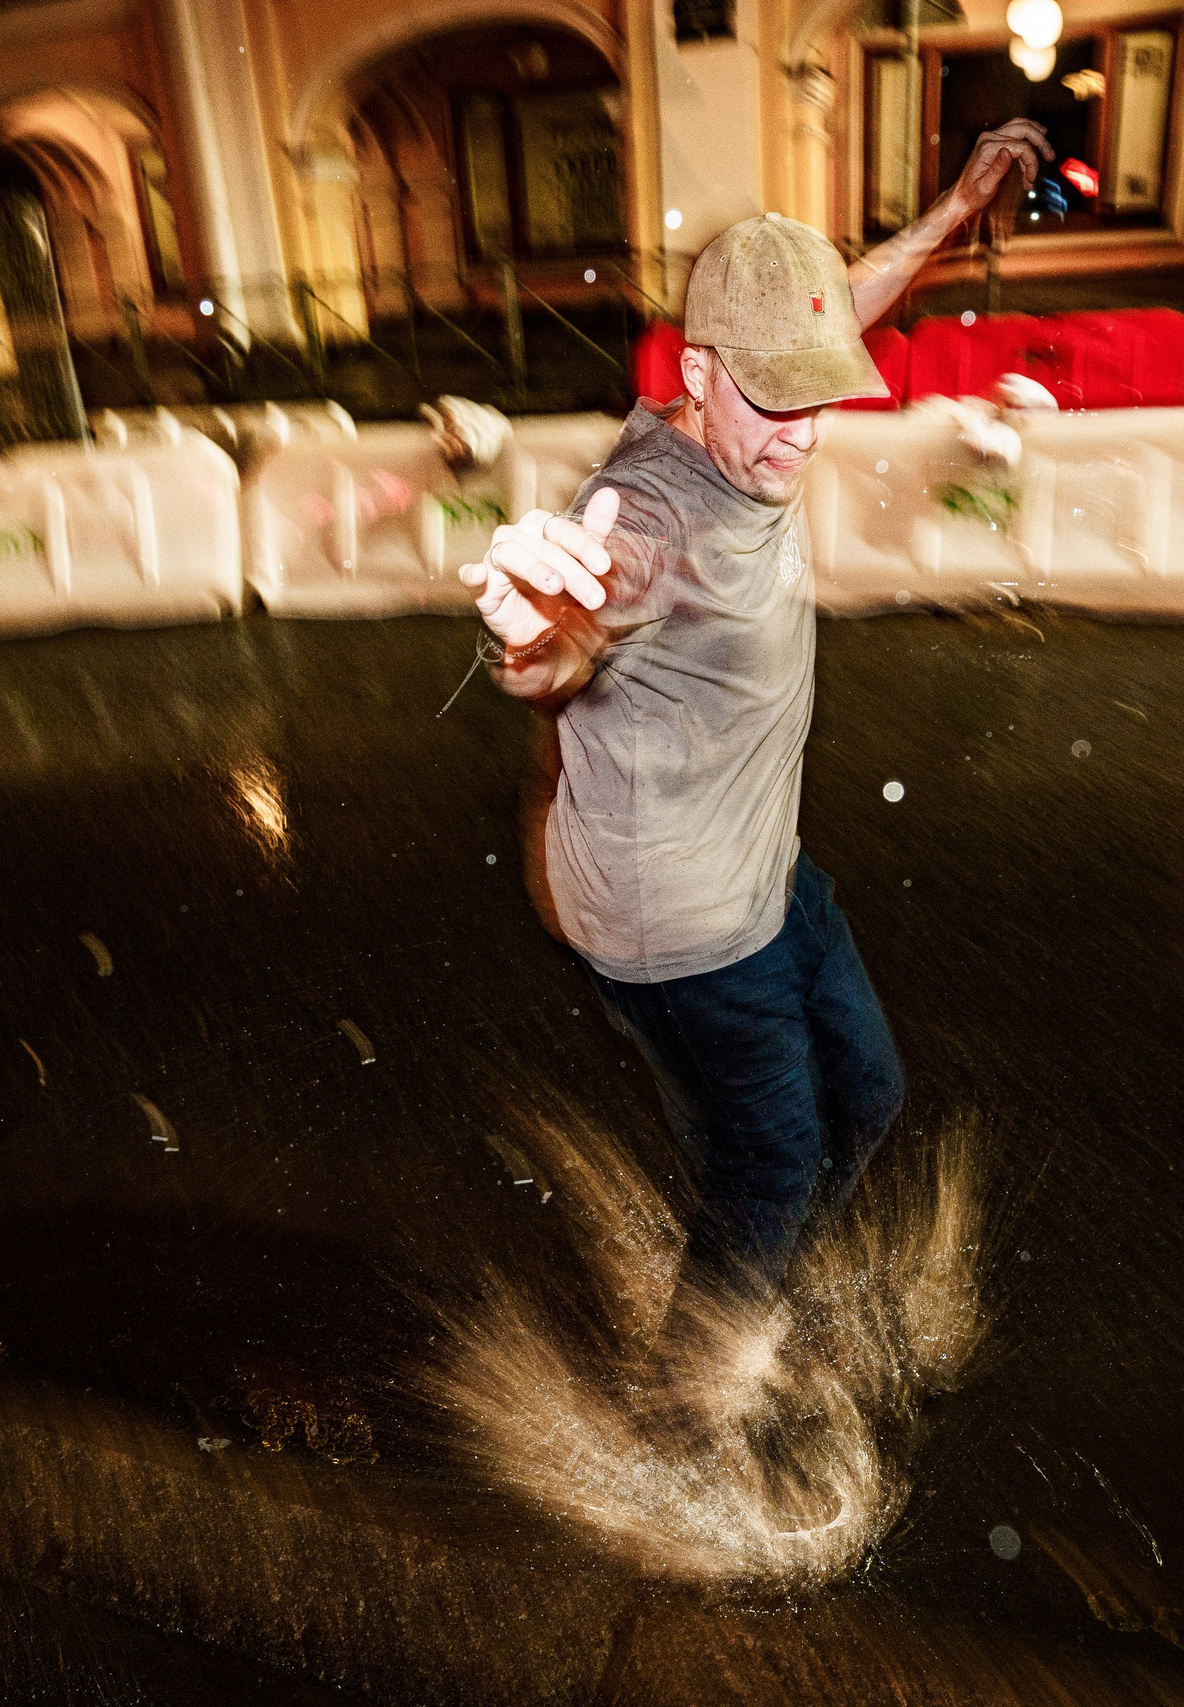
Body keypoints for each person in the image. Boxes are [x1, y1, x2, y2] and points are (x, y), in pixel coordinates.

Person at [460, 121, 1054, 1311]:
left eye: (817, 395)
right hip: (675, 922)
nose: (801, 432)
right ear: (693, 376)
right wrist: (525, 633)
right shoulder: (644, 517)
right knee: (772, 1163)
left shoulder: (762, 407)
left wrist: (951, 208)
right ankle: (694, 1410)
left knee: (869, 1098)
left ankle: (763, 1280)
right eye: (771, 401)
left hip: (762, 864)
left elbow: (847, 307)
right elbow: (557, 650)